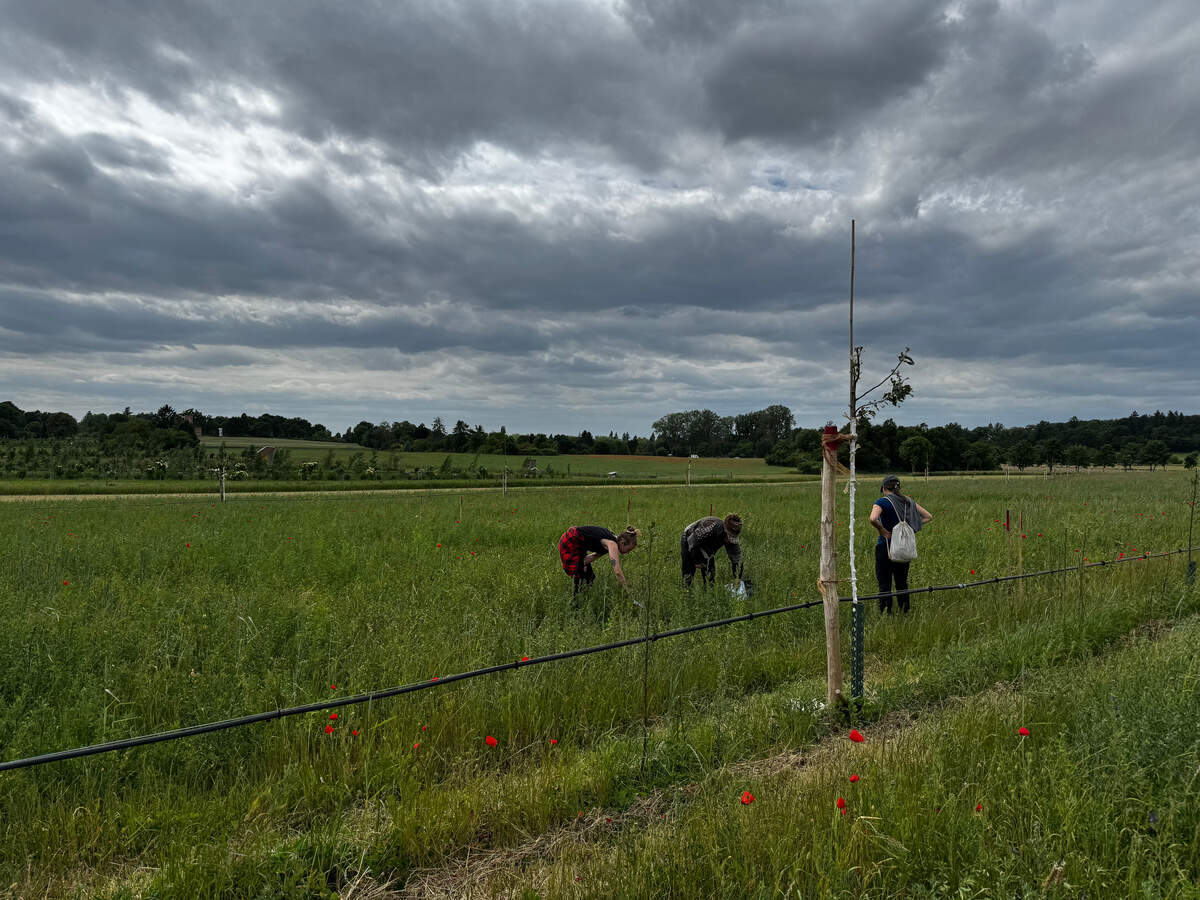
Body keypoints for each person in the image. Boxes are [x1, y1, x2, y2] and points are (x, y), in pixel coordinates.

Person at [869, 475, 932, 614]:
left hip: (886, 546)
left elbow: (873, 518)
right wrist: (910, 527)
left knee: (884, 583)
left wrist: (882, 530)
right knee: (902, 582)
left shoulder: (882, 501)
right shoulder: (908, 501)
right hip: (903, 547)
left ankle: (886, 612)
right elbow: (928, 516)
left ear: (884, 488)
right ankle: (905, 610)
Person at [558, 524, 639, 596]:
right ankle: (576, 603)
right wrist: (626, 590)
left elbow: (593, 556)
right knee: (581, 575)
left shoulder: (610, 543)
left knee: (590, 577)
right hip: (570, 541)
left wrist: (580, 564)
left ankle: (582, 598)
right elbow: (617, 572)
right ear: (622, 542)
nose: (627, 553)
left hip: (577, 544)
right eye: (628, 550)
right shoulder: (612, 544)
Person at [681, 513, 748, 592]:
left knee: (710, 573)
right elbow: (692, 542)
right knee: (688, 569)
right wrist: (696, 560)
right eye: (729, 537)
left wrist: (737, 578)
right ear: (724, 530)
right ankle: (685, 591)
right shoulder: (709, 527)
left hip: (708, 546)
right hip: (690, 538)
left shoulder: (731, 537)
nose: (730, 540)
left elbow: (737, 559)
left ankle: (709, 592)